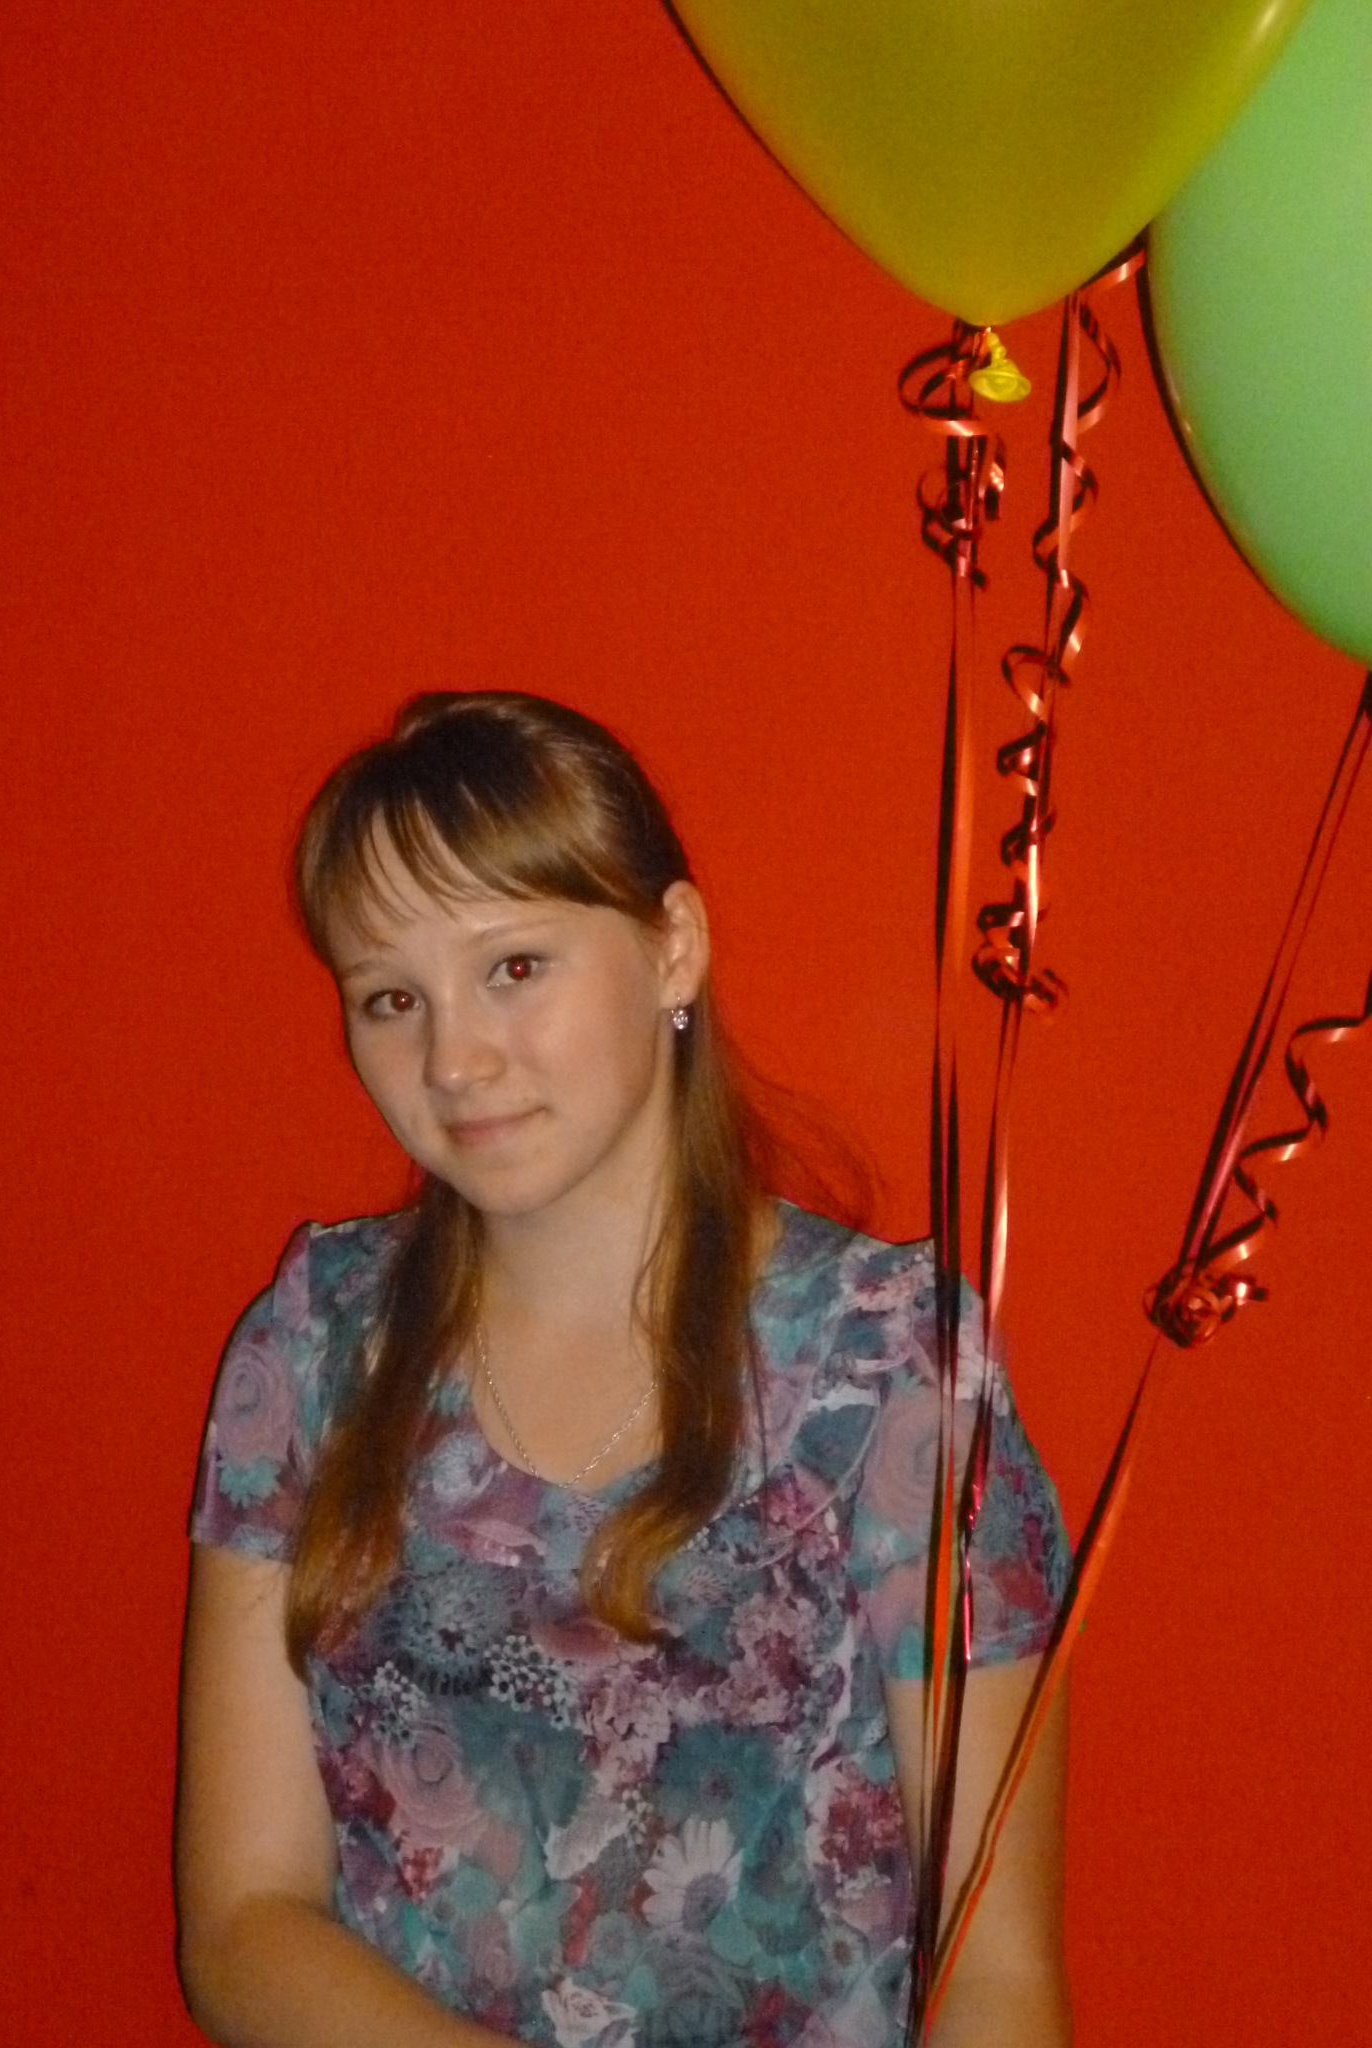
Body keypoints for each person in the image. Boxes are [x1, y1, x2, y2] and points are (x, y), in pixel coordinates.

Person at [176, 690, 1073, 2048]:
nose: (455, 1059)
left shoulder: (890, 1371)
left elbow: (996, 1973)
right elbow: (244, 1922)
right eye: (391, 998)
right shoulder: (312, 1349)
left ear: (673, 949)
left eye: (515, 967)